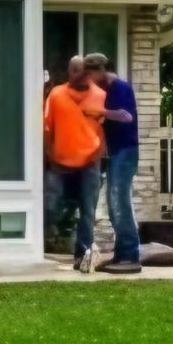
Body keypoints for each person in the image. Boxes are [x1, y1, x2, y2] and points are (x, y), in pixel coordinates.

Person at [43, 55, 106, 271]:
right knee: (49, 206)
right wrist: (50, 155)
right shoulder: (57, 94)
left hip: (90, 163)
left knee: (88, 211)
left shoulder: (101, 96)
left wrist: (97, 153)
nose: (78, 74)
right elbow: (46, 128)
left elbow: (106, 130)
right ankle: (41, 247)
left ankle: (83, 256)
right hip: (60, 164)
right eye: (74, 70)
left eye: (82, 70)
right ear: (69, 72)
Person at [84, 52, 142, 274]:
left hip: (126, 152)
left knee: (119, 202)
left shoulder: (120, 88)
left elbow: (126, 117)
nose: (89, 78)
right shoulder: (105, 90)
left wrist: (100, 112)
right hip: (115, 152)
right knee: (113, 202)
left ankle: (129, 256)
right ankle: (122, 255)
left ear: (101, 69)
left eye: (91, 73)